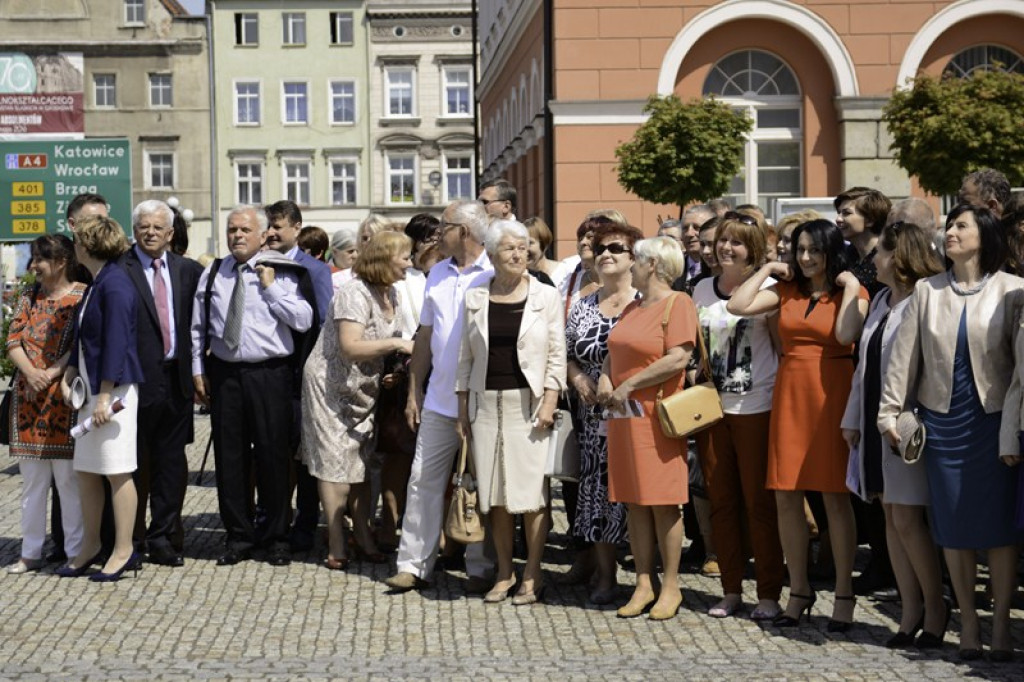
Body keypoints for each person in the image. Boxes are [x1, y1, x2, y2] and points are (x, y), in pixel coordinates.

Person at [880, 204, 1024, 661]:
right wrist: (889, 415)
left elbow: (1020, 371)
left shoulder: (1014, 290)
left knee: (999, 531)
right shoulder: (927, 291)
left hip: (995, 424)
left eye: (961, 225)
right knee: (954, 528)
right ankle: (967, 624)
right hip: (942, 424)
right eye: (949, 226)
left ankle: (1000, 626)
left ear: (984, 233)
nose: (951, 233)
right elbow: (904, 360)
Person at [728, 219, 868, 631]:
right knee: (786, 496)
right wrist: (768, 269)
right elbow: (736, 304)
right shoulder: (785, 290)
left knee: (834, 499)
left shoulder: (850, 295)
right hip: (790, 395)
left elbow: (845, 334)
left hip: (832, 395)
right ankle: (800, 589)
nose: (805, 257)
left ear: (830, 251)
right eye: (800, 249)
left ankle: (844, 592)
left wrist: (854, 286)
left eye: (814, 250)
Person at [191, 206, 314, 568]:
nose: (237, 236)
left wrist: (271, 288)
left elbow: (304, 320)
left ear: (263, 236)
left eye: (245, 229)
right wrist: (198, 369)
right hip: (226, 373)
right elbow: (197, 327)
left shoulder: (284, 272)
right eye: (232, 229)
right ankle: (239, 536)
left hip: (270, 374)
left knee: (273, 457)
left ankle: (276, 536)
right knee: (230, 459)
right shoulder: (214, 272)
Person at [841, 221, 945, 648]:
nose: (874, 261)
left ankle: (935, 608)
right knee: (890, 517)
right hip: (872, 421)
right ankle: (910, 609)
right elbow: (864, 367)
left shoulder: (927, 299)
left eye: (880, 252)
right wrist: (852, 418)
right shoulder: (882, 299)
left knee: (907, 518)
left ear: (898, 257)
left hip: (908, 425)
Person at [384, 200, 494, 593]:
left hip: (483, 401)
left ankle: (481, 565)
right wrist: (415, 391)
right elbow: (425, 337)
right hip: (438, 398)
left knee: (479, 484)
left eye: (444, 227)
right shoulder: (437, 274)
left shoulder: (495, 271)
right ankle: (413, 564)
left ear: (463, 232)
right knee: (422, 481)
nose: (436, 236)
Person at [455, 219, 566, 605]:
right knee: (495, 495)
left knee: (532, 494)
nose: (519, 254)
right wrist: (462, 410)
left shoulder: (545, 296)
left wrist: (550, 400)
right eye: (510, 248)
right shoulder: (475, 295)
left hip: (529, 403)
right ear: (491, 253)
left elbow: (556, 354)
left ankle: (533, 574)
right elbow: (464, 358)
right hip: (485, 404)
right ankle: (504, 572)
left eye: (523, 247)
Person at [301, 231, 414, 570]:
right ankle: (337, 541)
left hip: (364, 389)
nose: (410, 263)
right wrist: (398, 346)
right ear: (383, 259)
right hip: (330, 387)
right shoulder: (354, 293)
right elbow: (350, 346)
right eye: (404, 257)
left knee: (362, 463)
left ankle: (363, 535)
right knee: (335, 464)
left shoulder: (390, 291)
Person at [598, 236, 697, 621]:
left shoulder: (678, 303)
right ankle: (643, 582)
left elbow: (678, 357)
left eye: (636, 261)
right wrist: (607, 378)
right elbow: (614, 350)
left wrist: (629, 384)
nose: (631, 267)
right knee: (634, 501)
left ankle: (670, 586)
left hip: (658, 417)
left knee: (662, 502)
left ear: (652, 264)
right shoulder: (634, 307)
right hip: (625, 417)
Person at [691, 213, 785, 620]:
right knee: (721, 501)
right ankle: (731, 589)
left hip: (756, 406)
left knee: (758, 503)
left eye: (736, 243)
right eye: (722, 241)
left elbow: (782, 349)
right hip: (711, 408)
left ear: (754, 250)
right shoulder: (699, 288)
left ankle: (768, 592)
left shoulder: (770, 289)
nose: (725, 248)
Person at [58, 214, 145, 581]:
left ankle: (123, 548)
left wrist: (104, 397)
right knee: (87, 472)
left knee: (116, 471)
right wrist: (71, 376)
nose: (72, 245)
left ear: (87, 245)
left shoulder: (115, 284)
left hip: (114, 393)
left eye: (76, 240)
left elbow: (116, 343)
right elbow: (84, 339)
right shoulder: (97, 283)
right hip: (93, 392)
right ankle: (90, 544)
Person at [119, 200, 203, 567]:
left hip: (176, 380)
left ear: (170, 234)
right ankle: (132, 537)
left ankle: (164, 535)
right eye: (143, 227)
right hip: (135, 382)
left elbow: (199, 328)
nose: (150, 233)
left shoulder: (188, 271)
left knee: (171, 463)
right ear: (134, 230)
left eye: (157, 227)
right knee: (134, 463)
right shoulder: (120, 269)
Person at [563, 221, 641, 604]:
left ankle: (645, 579)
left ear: (634, 257)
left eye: (616, 247)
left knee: (641, 497)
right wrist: (577, 380)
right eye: (600, 248)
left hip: (638, 412)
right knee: (597, 495)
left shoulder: (646, 301)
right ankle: (607, 577)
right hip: (593, 419)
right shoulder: (583, 305)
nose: (605, 253)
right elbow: (565, 355)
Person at [5, 235, 86, 574]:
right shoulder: (28, 295)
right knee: (33, 482)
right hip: (28, 401)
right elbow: (13, 340)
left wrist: (50, 373)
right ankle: (30, 551)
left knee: (68, 481)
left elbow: (81, 341)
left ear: (61, 261)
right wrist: (31, 373)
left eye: (40, 259)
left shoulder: (82, 295)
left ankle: (75, 550)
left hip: (63, 398)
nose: (33, 265)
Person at [264, 200, 333, 553]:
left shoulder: (315, 271)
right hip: (267, 375)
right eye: (269, 225)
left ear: (296, 228)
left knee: (303, 456)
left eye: (278, 226)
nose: (272, 232)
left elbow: (323, 325)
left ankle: (305, 522)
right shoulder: (259, 263)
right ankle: (273, 518)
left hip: (301, 377)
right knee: (271, 451)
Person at [376, 214, 436, 549]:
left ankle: (430, 527)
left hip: (437, 371)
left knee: (432, 456)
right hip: (400, 370)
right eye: (426, 239)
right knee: (398, 453)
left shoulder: (442, 275)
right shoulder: (402, 279)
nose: (432, 245)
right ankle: (389, 522)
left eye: (436, 238)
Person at [834, 187, 891, 298]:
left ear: (870, 220)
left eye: (846, 213)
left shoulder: (889, 258)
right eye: (839, 213)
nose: (838, 219)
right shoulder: (845, 255)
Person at [524, 216, 573, 290]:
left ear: (544, 244)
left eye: (530, 243)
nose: (525, 249)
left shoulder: (565, 273)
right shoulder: (520, 279)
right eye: (521, 244)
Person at [330, 225, 359, 290]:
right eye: (350, 251)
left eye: (358, 251)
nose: (355, 256)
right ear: (335, 252)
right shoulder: (324, 274)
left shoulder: (362, 273)